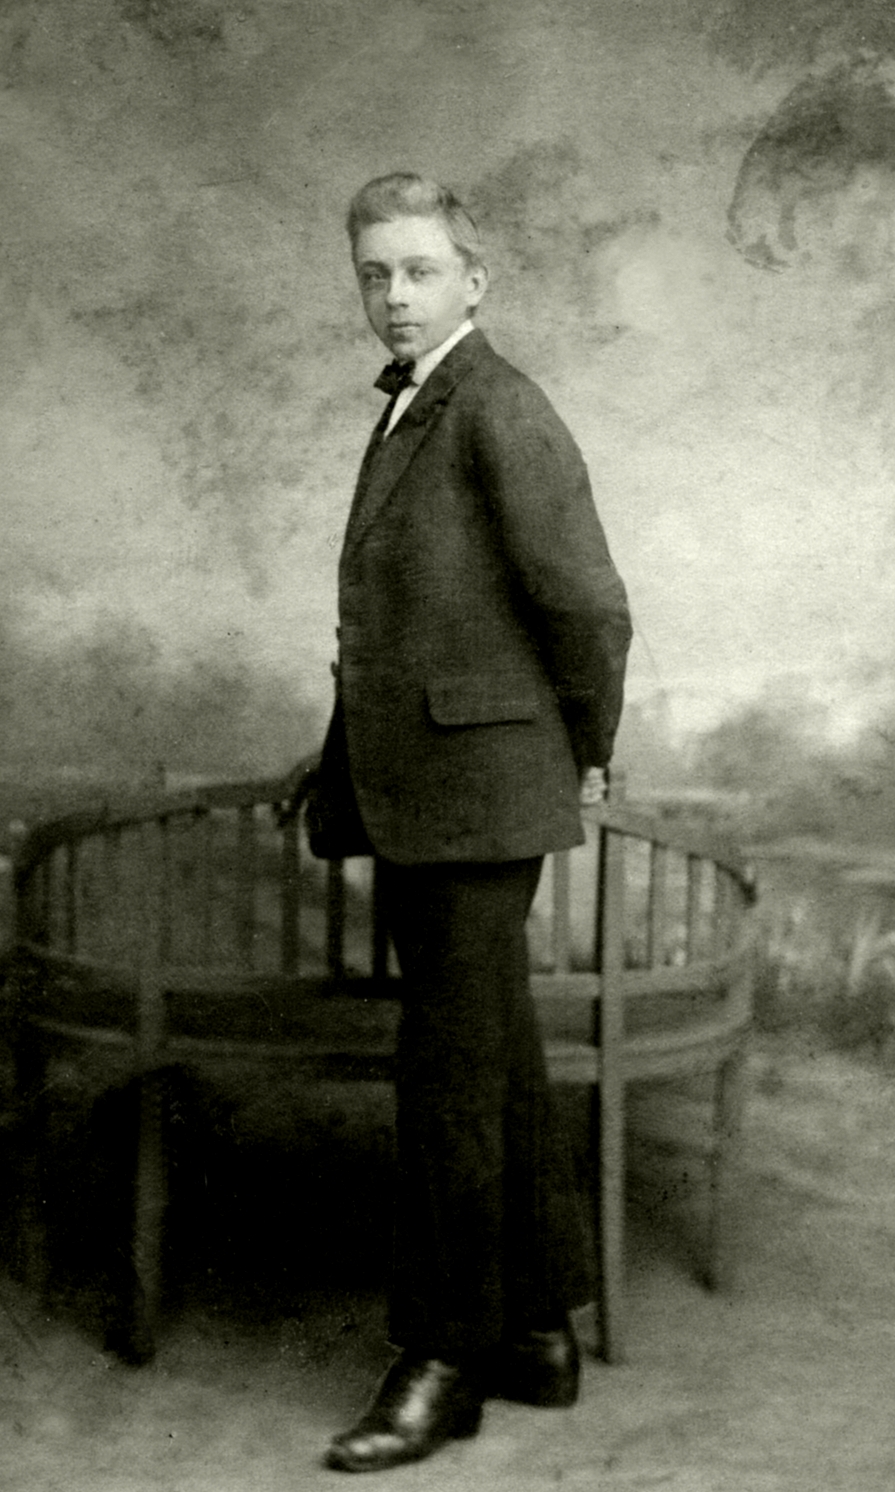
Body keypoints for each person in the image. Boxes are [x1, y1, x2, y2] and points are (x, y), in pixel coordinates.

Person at [306, 172, 632, 1472]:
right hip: (444, 793)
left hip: (478, 799)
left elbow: (589, 607)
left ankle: (443, 1360)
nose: (394, 295)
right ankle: (537, 1331)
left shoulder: (498, 406)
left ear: (474, 281)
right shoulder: (417, 405)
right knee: (492, 1057)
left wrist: (588, 751)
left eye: (420, 270)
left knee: (448, 1081)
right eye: (375, 274)